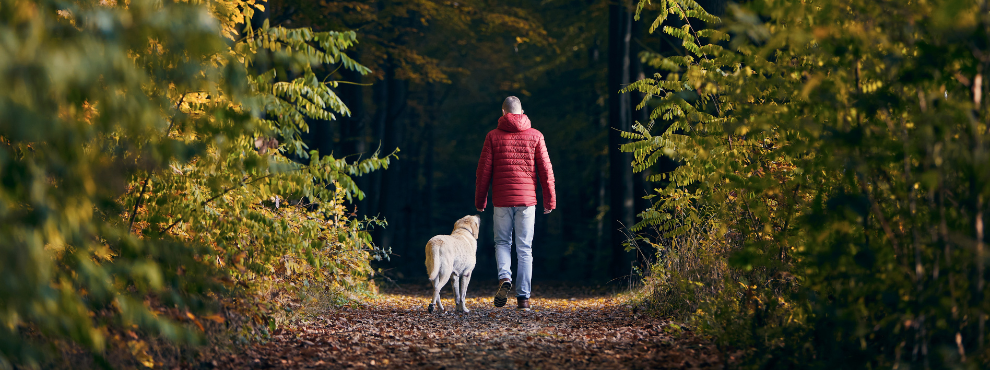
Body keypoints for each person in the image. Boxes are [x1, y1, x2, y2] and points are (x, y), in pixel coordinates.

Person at [475, 96, 556, 310]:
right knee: (525, 248)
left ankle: (504, 278)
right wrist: (549, 199)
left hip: (501, 200)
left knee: (502, 243)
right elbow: (546, 172)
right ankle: (524, 299)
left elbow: (483, 172)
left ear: (503, 113)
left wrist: (480, 200)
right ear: (522, 112)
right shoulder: (536, 136)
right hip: (527, 201)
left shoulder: (492, 136)